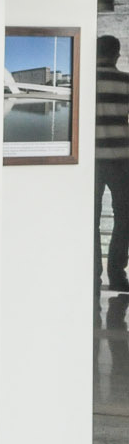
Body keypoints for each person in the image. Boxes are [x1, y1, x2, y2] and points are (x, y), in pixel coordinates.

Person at [97, 35, 129, 291]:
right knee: (124, 217)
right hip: (121, 161)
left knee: (90, 218)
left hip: (91, 164)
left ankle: (92, 274)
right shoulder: (126, 81)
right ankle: (117, 274)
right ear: (117, 55)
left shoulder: (86, 81)